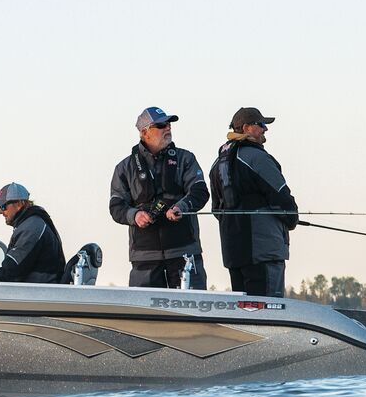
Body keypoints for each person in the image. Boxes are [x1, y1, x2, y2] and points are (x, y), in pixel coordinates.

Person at [109, 107, 210, 288]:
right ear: (144, 132)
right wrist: (135, 215)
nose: (168, 128)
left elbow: (200, 190)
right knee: (143, 315)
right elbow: (116, 206)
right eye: (161, 125)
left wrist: (182, 207)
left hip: (184, 253)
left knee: (192, 315)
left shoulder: (185, 158)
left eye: (169, 124)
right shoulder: (124, 167)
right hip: (144, 259)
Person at [209, 107, 298, 297]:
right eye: (262, 125)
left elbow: (217, 210)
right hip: (263, 252)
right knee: (268, 312)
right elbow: (282, 198)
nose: (265, 130)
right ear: (247, 127)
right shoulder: (257, 158)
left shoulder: (216, 165)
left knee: (245, 316)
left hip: (234, 253)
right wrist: (292, 220)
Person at [0, 183, 67, 284]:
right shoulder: (31, 224)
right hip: (36, 293)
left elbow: (10, 272)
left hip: (37, 296)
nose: (0, 212)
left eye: (3, 206)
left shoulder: (31, 227)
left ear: (19, 204)